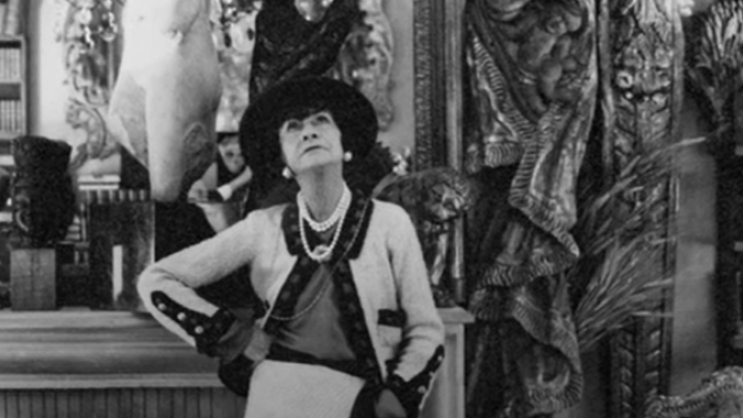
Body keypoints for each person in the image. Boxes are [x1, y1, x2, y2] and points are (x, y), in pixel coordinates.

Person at [137, 76, 445, 418]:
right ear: (283, 161)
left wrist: (395, 399)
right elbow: (156, 279)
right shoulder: (262, 228)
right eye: (293, 128)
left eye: (321, 121)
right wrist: (232, 336)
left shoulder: (390, 222)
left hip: (365, 403)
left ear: (344, 143)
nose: (308, 132)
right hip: (278, 397)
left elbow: (426, 331)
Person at [188, 132, 253, 232]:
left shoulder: (254, 177)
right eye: (229, 154)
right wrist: (242, 179)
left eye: (241, 155)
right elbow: (203, 197)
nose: (235, 160)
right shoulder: (207, 172)